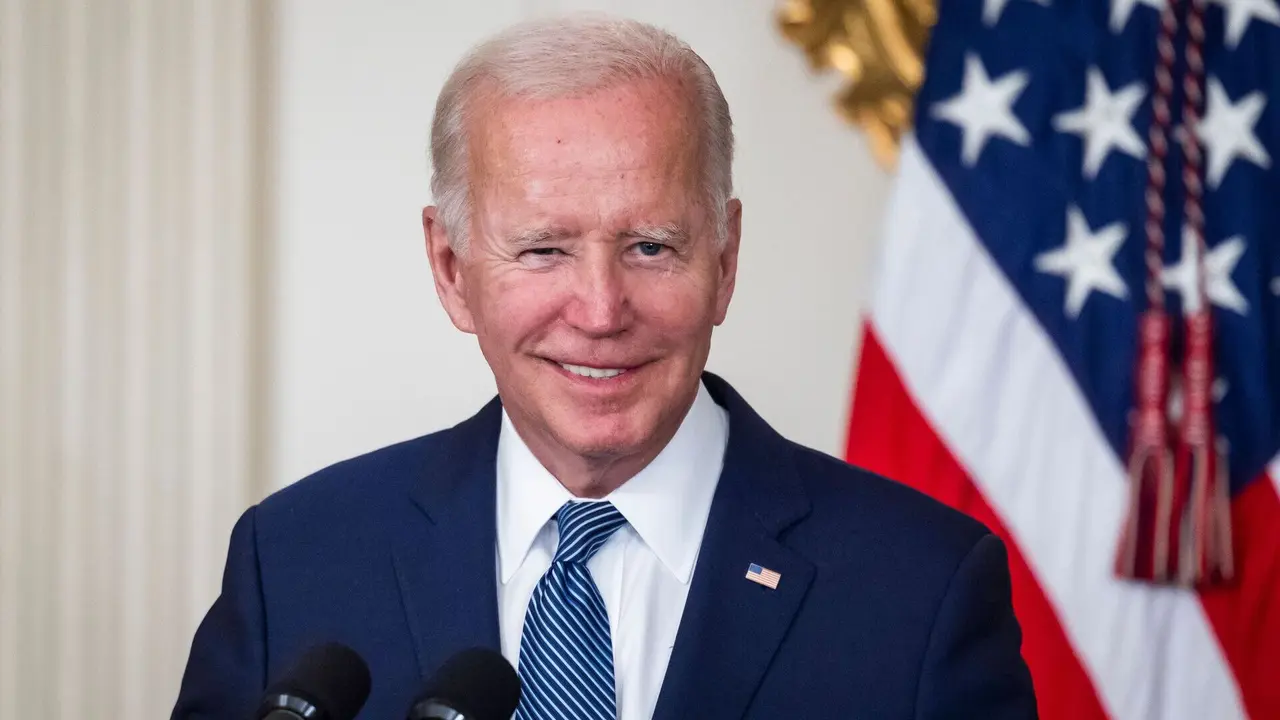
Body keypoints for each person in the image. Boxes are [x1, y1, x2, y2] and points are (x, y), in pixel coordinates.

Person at [172, 13, 1037, 720]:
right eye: (544, 249)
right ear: (450, 269)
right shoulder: (296, 561)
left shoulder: (921, 590)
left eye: (651, 247)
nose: (599, 310)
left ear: (726, 259)